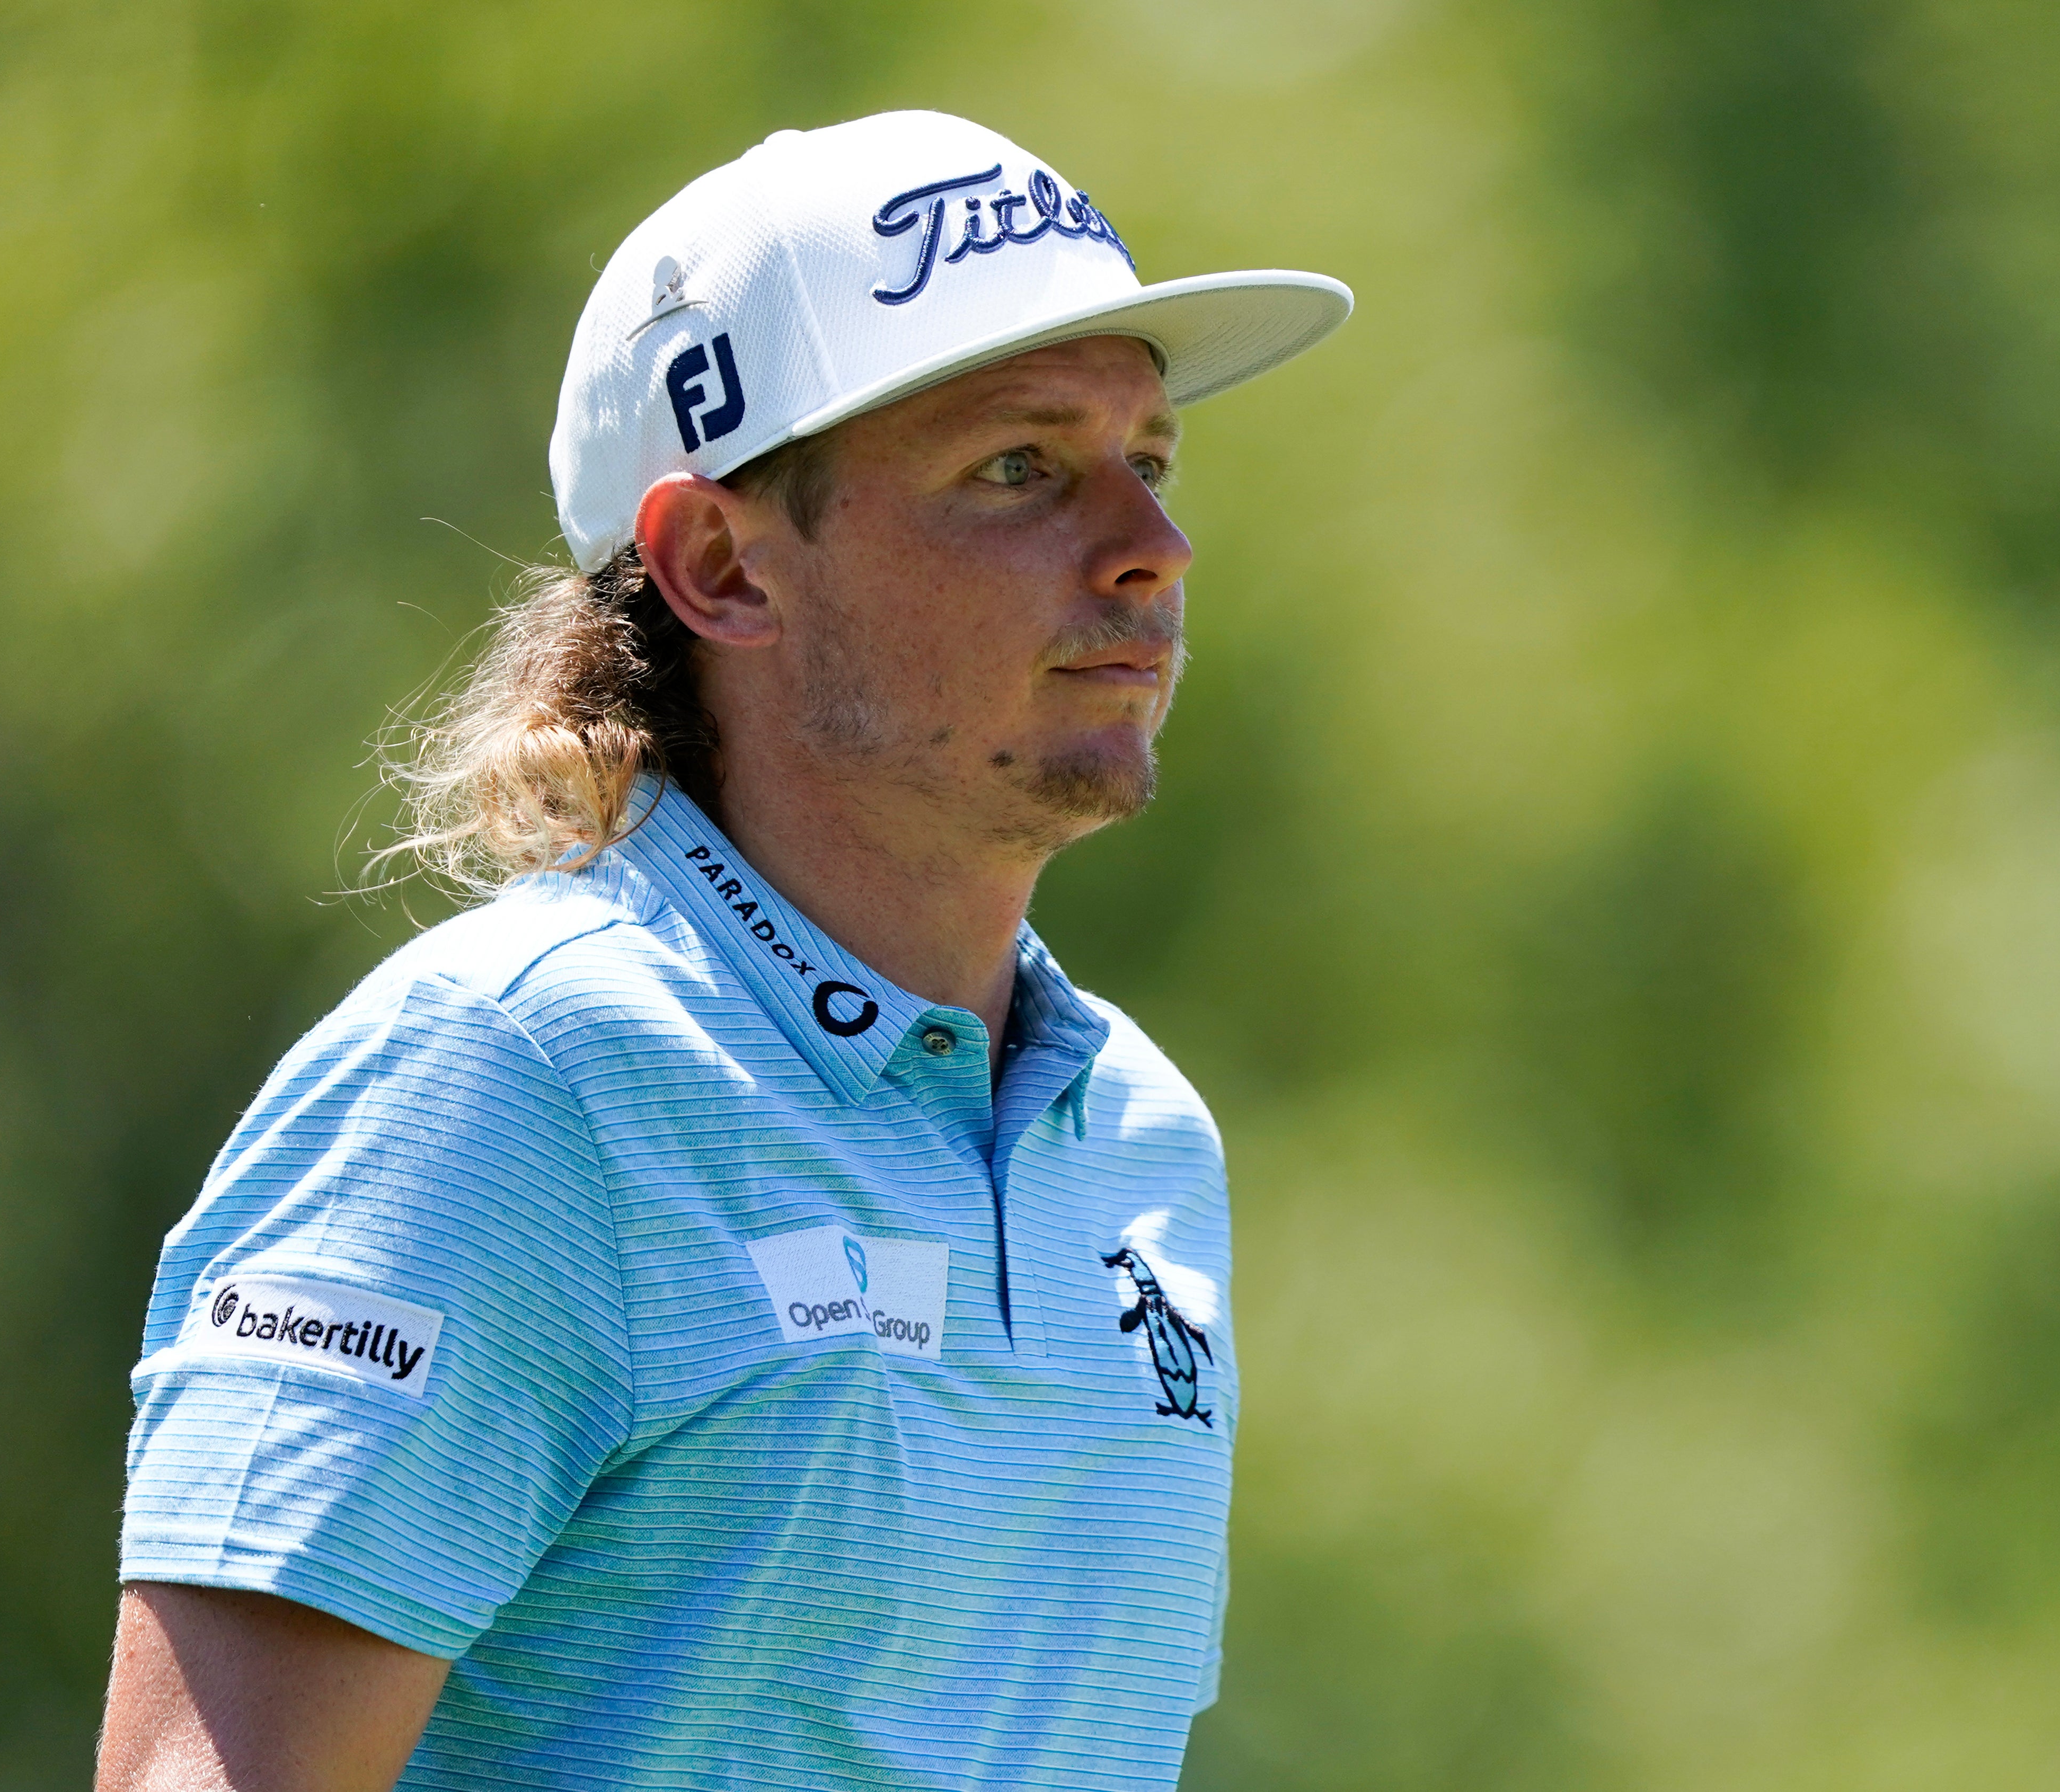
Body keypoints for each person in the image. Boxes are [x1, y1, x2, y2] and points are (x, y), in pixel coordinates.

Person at [94, 109, 1350, 1792]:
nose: (1151, 546)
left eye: (1151, 459)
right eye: (1019, 468)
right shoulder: (509, 1082)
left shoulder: (1136, 1140)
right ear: (719, 564)